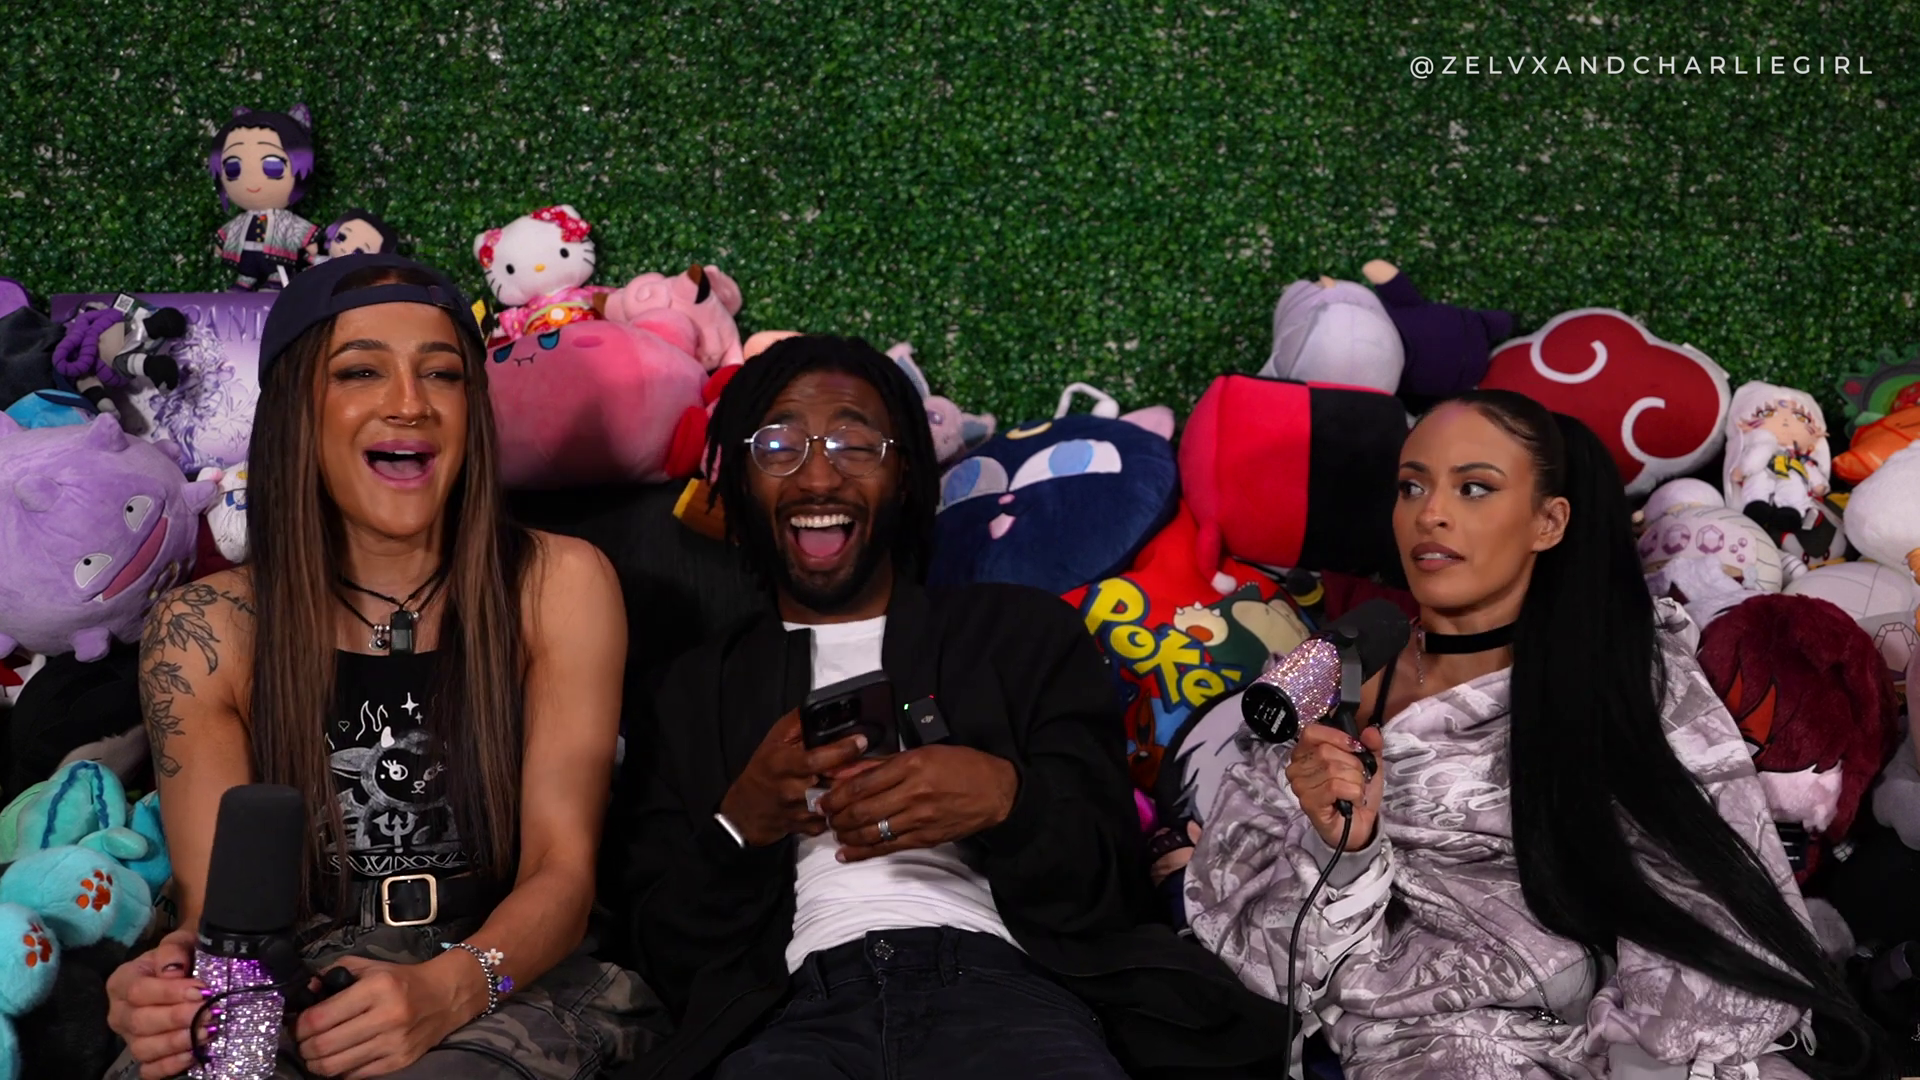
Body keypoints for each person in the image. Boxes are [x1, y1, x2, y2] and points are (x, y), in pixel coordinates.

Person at [617, 335, 1291, 1080]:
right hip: (791, 1019)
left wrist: (1009, 801)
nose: (818, 476)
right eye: (778, 446)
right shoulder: (686, 692)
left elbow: (1111, 889)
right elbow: (658, 952)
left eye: (854, 443)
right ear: (740, 479)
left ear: (906, 472)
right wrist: (739, 826)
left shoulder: (1021, 634)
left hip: (1011, 997)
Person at [1186, 389, 1883, 1079]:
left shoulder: (1628, 672)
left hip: (1645, 1039)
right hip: (1436, 1047)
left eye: (1474, 488)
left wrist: (1652, 1057)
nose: (1430, 513)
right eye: (1411, 486)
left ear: (1549, 522)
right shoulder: (1326, 683)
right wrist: (1345, 853)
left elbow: (1708, 884)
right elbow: (1251, 933)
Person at [103, 253, 666, 1080]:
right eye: (361, 371)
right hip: (288, 978)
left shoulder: (559, 584)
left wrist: (450, 989)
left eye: (442, 374)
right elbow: (216, 908)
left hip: (503, 974)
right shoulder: (203, 628)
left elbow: (563, 874)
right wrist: (168, 988)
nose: (410, 403)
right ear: (296, 410)